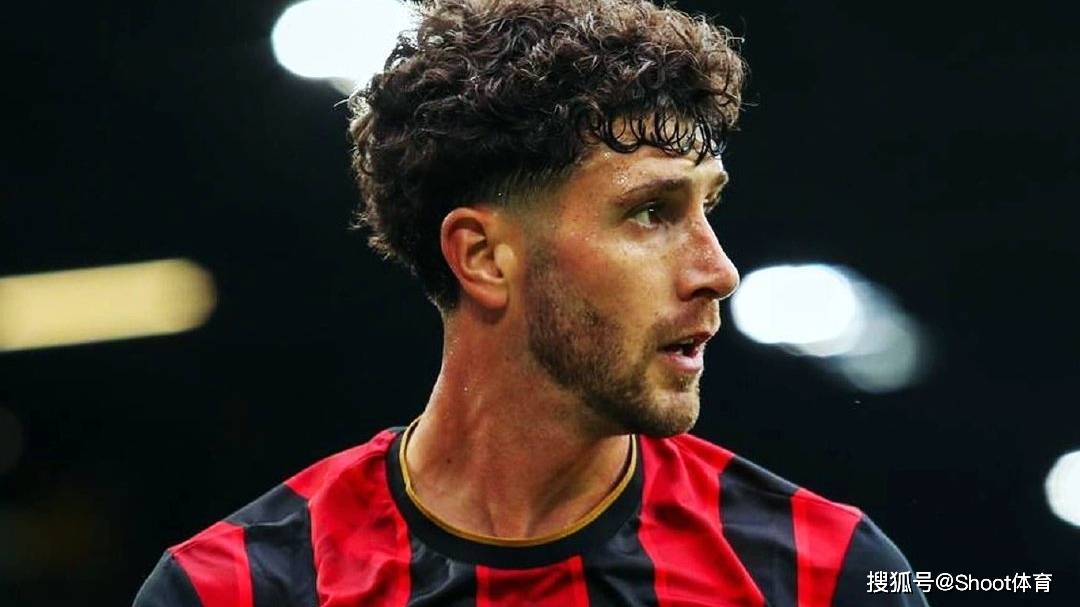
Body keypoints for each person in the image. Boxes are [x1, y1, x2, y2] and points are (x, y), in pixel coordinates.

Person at [135, 0, 929, 605]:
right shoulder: (230, 589)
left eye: (706, 207)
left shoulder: (825, 575)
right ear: (483, 257)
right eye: (650, 212)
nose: (718, 271)